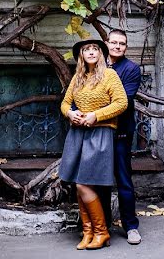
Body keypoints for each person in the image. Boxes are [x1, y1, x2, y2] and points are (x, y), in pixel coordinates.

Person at [58, 38, 128, 250]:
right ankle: (88, 233)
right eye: (86, 49)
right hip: (77, 133)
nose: (90, 52)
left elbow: (121, 102)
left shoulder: (109, 75)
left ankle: (101, 232)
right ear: (81, 55)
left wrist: (96, 116)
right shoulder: (78, 77)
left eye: (94, 49)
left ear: (100, 54)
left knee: (83, 183)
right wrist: (70, 113)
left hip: (100, 133)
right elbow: (64, 103)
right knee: (78, 183)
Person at [97, 28, 143, 245]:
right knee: (101, 181)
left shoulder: (132, 69)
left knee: (124, 180)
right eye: (113, 42)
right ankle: (103, 227)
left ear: (125, 46)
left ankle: (131, 226)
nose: (117, 46)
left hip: (121, 133)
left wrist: (95, 105)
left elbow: (123, 100)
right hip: (97, 132)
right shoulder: (95, 65)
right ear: (106, 43)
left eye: (121, 44)